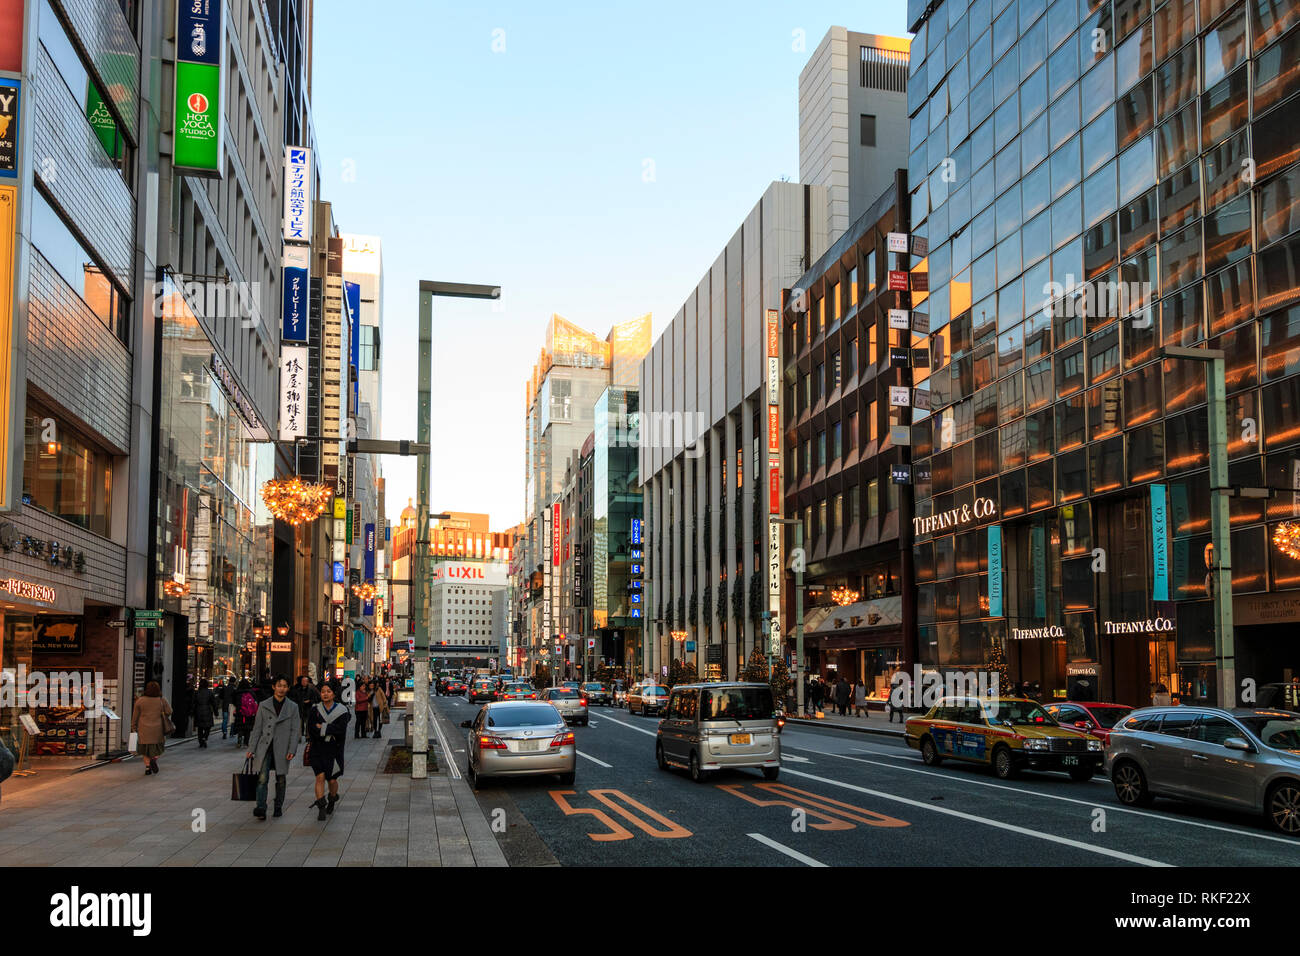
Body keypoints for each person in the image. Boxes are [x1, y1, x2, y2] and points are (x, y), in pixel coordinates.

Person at [246, 675, 299, 820]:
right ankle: (261, 807)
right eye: (279, 685)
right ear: (274, 687)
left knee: (280, 779)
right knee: (262, 779)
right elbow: (257, 728)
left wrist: (292, 749)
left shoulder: (293, 707)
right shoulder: (264, 705)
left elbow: (295, 730)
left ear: (288, 688)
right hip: (265, 747)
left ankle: (278, 806)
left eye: (284, 686)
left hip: (282, 747)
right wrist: (251, 748)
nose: (281, 688)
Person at [306, 680, 350, 820]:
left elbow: (341, 730)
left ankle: (332, 798)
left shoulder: (342, 710)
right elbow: (311, 729)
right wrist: (327, 729)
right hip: (317, 748)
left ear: (333, 693)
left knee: (331, 780)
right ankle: (321, 807)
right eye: (323, 691)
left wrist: (323, 727)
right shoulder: (315, 709)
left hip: (334, 750)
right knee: (320, 777)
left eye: (328, 691)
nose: (325, 694)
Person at [131, 681, 173, 775]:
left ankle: (147, 767)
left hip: (143, 729)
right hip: (157, 729)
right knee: (158, 748)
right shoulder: (161, 700)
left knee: (144, 750)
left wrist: (133, 726)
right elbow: (169, 711)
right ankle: (154, 759)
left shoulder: (140, 700)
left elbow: (135, 716)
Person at [192, 679, 218, 747]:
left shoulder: (197, 692)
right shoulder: (209, 692)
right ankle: (205, 737)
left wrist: (192, 712)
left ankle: (201, 741)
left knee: (200, 728)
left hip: (198, 711)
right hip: (207, 711)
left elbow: (193, 703)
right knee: (208, 727)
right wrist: (216, 712)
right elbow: (214, 703)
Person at [233, 679, 258, 748]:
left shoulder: (237, 692)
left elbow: (234, 702)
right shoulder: (251, 692)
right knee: (248, 728)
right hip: (249, 713)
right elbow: (255, 702)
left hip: (240, 712)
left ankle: (239, 738)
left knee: (240, 726)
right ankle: (246, 742)